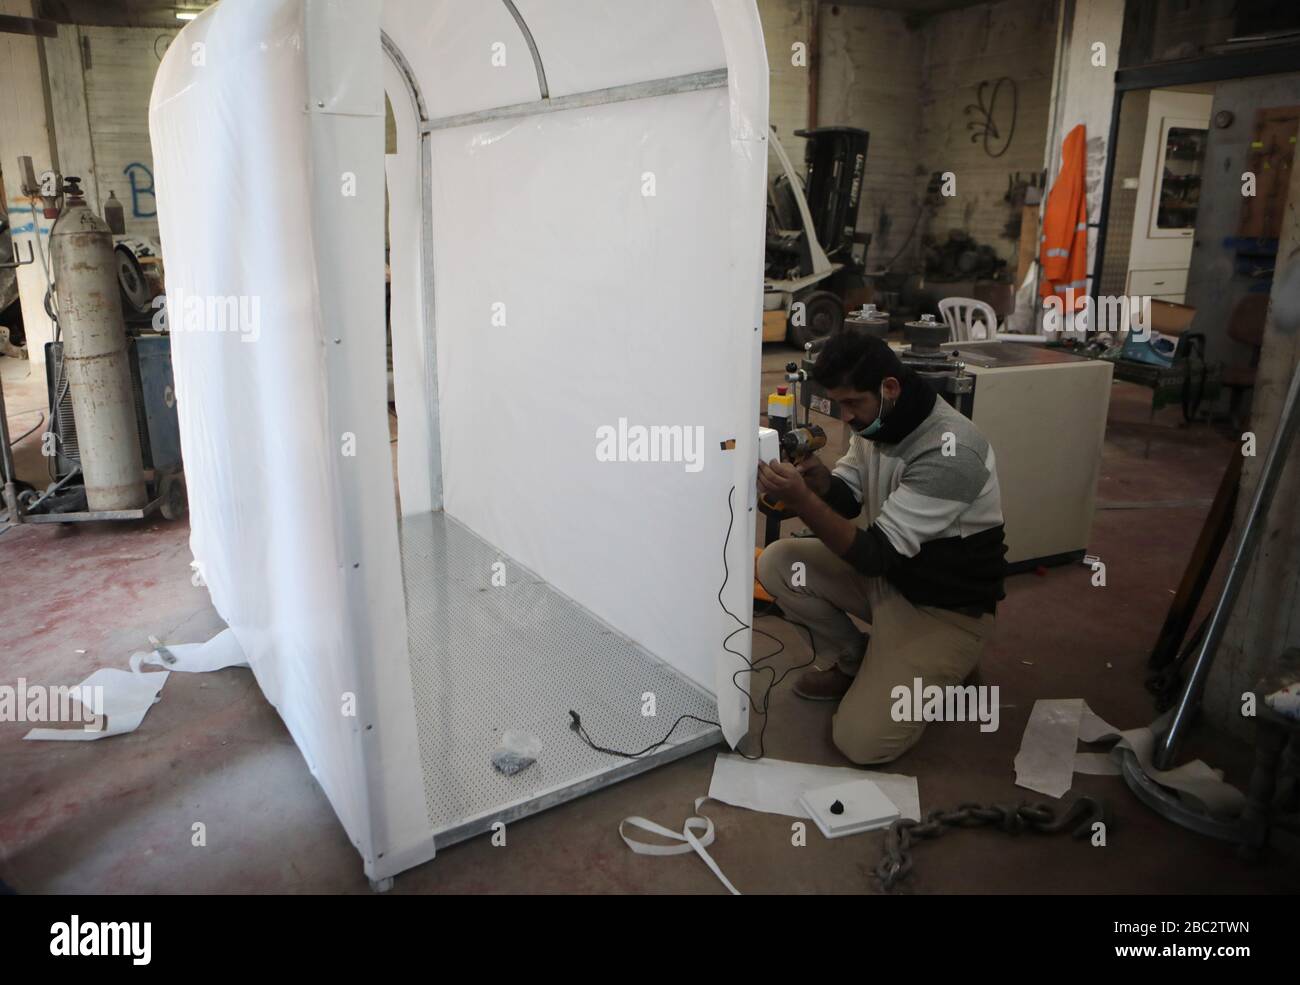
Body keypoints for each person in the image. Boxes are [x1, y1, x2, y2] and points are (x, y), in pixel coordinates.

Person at [756, 331, 1007, 764]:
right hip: (890, 578)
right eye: (840, 404)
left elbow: (873, 553)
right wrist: (821, 483)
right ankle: (855, 662)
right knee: (779, 563)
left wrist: (803, 501)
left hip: (943, 608)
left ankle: (952, 666)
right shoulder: (878, 422)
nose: (846, 416)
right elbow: (850, 499)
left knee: (862, 743)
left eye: (853, 404)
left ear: (889, 388)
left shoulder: (951, 450)